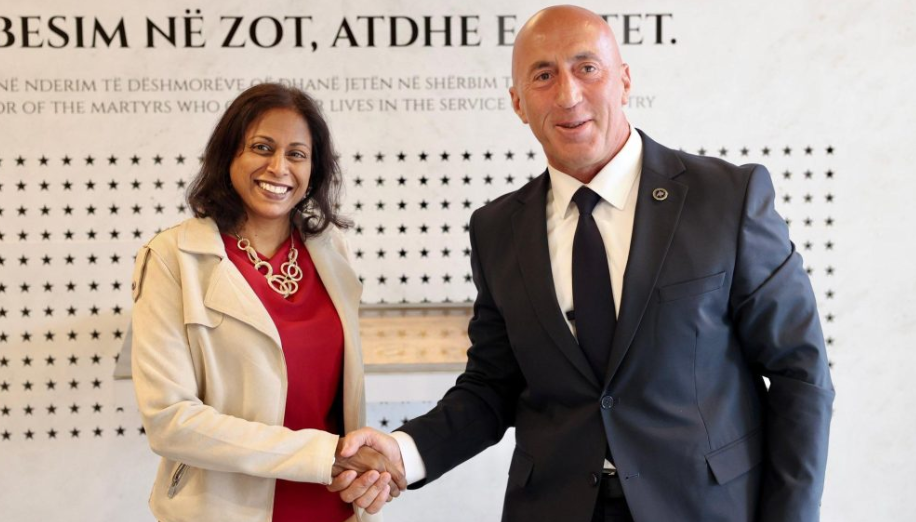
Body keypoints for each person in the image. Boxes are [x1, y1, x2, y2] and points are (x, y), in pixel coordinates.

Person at [330, 5, 835, 522]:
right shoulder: (497, 229)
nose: (568, 95)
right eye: (543, 76)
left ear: (624, 80)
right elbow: (492, 386)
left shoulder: (726, 198)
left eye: (587, 67)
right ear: (518, 103)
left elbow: (799, 373)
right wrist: (404, 453)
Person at [130, 83, 402, 522]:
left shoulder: (331, 250)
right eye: (262, 147)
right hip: (225, 511)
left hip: (334, 507)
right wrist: (324, 454)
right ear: (228, 155)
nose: (279, 167)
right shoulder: (172, 257)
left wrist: (360, 470)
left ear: (314, 168)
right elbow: (170, 421)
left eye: (297, 154)